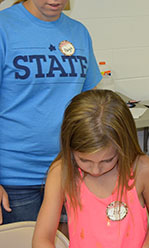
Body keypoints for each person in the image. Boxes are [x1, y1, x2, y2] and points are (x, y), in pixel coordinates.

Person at [32, 90, 149, 248]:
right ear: (70, 148)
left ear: (124, 146)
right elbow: (41, 239)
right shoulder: (62, 172)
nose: (95, 170)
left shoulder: (143, 170)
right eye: (84, 160)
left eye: (107, 160)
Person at [0, 0, 102, 225]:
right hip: (14, 179)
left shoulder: (78, 32)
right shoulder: (4, 28)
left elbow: (89, 105)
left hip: (71, 171)